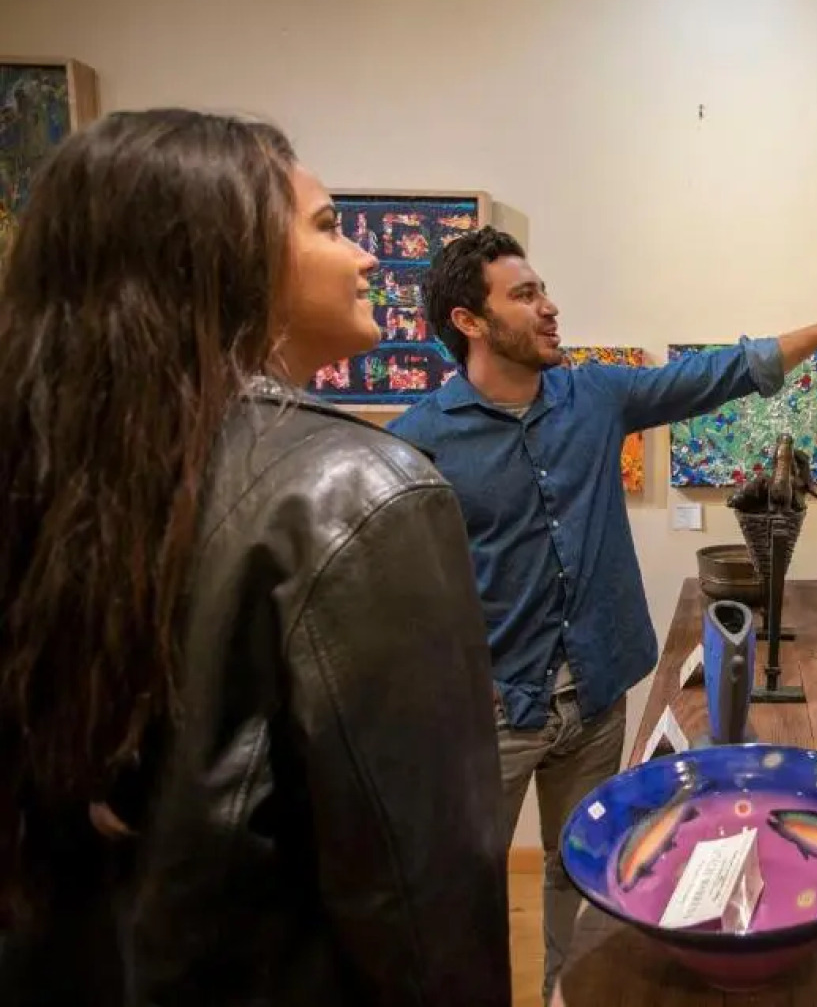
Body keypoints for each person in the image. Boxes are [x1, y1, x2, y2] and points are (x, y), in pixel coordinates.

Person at [0, 109, 511, 1006]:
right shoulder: (362, 489)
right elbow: (421, 901)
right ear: (220, 259)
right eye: (325, 227)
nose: (364, 257)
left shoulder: (53, 473)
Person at [386, 226, 817, 999]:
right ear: (469, 320)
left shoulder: (591, 396)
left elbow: (714, 374)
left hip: (595, 698)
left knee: (579, 874)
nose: (549, 306)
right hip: (491, 716)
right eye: (524, 295)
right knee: (457, 897)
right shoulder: (418, 444)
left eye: (543, 288)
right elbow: (404, 597)